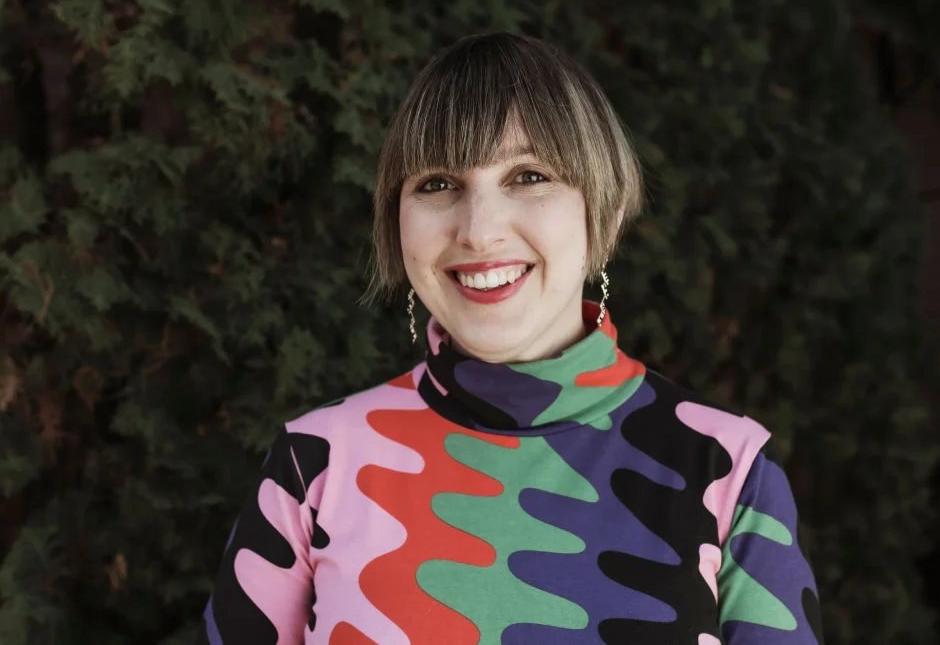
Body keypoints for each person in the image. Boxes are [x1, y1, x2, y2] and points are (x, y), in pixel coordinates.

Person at [198, 32, 824, 645]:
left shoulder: (728, 468)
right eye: (438, 183)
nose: (479, 230)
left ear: (597, 211)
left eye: (528, 176)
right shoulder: (315, 464)